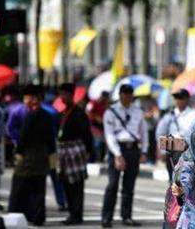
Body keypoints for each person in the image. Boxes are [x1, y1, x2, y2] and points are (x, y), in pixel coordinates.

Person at [8, 84, 56, 226]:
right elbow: (51, 136)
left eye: (27, 98)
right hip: (43, 154)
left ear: (34, 98)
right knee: (38, 187)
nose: (25, 101)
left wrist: (19, 152)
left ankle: (16, 214)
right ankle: (38, 217)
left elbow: (24, 136)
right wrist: (51, 154)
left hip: (28, 155)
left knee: (19, 184)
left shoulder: (30, 115)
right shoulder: (47, 115)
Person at [101, 84, 149, 228]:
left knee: (129, 185)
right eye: (125, 94)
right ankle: (106, 218)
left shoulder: (138, 112)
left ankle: (126, 216)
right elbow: (109, 135)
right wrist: (117, 155)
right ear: (120, 95)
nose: (128, 97)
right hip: (117, 148)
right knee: (112, 185)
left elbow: (144, 132)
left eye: (130, 94)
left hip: (133, 149)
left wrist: (144, 151)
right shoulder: (111, 112)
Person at [57, 83, 94, 225]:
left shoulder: (79, 113)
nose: (62, 97)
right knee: (66, 183)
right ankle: (72, 213)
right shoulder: (62, 113)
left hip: (76, 150)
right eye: (61, 94)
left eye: (65, 94)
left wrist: (88, 152)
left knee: (77, 185)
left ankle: (77, 214)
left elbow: (87, 135)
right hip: (63, 151)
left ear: (71, 95)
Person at [156, 88, 195, 181]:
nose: (178, 100)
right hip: (171, 151)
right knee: (172, 180)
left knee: (185, 180)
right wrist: (161, 151)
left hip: (187, 151)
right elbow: (160, 131)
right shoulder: (170, 114)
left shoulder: (194, 115)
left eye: (181, 97)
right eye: (176, 98)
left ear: (187, 99)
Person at [86, 91, 110, 162]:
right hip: (93, 126)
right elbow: (87, 113)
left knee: (103, 144)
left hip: (103, 127)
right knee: (97, 143)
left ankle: (101, 158)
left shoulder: (105, 105)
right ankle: (95, 159)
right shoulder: (93, 103)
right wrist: (96, 118)